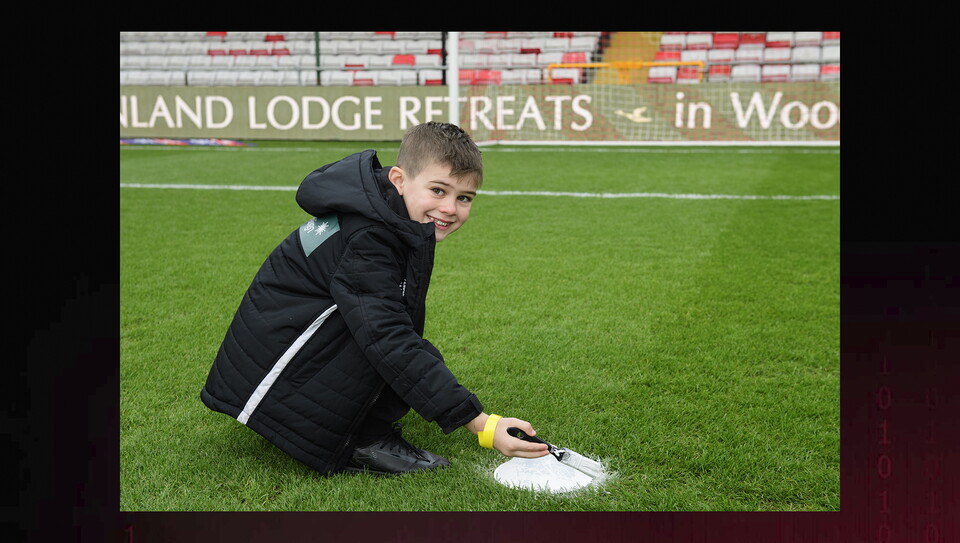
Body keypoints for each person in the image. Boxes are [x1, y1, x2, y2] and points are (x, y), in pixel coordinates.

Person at [200, 122, 548, 475]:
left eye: (463, 198)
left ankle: (364, 425)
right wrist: (480, 422)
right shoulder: (369, 239)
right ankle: (363, 442)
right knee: (384, 337)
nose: (450, 208)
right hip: (269, 377)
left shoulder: (390, 214)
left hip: (277, 356)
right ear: (399, 179)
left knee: (390, 325)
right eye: (438, 190)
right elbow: (388, 338)